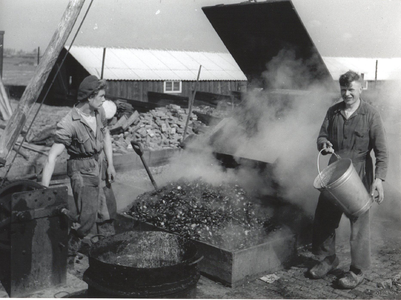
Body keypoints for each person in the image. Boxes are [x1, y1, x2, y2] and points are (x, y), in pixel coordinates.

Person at [308, 70, 388, 289]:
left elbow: (381, 152)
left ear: (361, 88)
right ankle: (328, 259)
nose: (347, 94)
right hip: (335, 172)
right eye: (343, 89)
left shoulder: (370, 114)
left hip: (360, 172)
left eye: (351, 89)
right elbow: (322, 135)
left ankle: (357, 270)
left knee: (359, 223)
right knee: (324, 217)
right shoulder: (333, 112)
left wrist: (379, 179)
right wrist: (324, 145)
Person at [41, 75, 117, 261]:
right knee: (86, 219)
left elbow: (105, 135)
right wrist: (43, 189)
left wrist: (110, 164)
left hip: (99, 163)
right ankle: (66, 254)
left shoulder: (99, 112)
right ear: (89, 98)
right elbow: (51, 156)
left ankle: (109, 253)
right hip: (81, 170)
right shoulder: (69, 124)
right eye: (101, 96)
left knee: (107, 211)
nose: (104, 100)